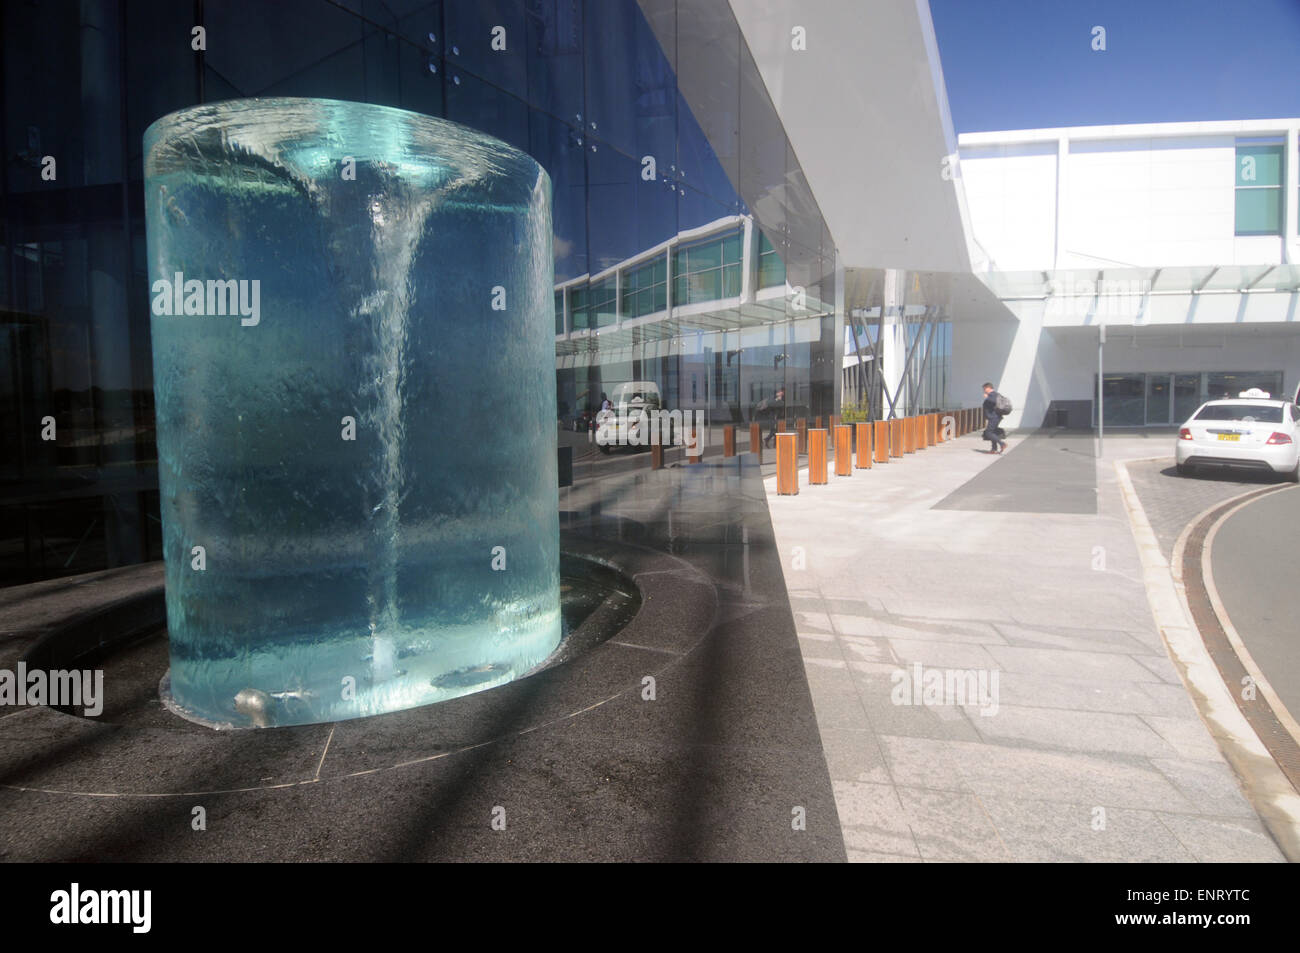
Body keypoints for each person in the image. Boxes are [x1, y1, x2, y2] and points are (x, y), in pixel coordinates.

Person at [981, 382, 1008, 454]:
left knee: (988, 432)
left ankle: (1002, 444)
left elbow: (994, 401)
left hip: (994, 417)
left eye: (984, 389)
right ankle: (994, 449)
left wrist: (987, 397)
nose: (984, 390)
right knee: (993, 432)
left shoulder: (993, 395)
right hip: (994, 417)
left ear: (988, 388)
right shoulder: (996, 394)